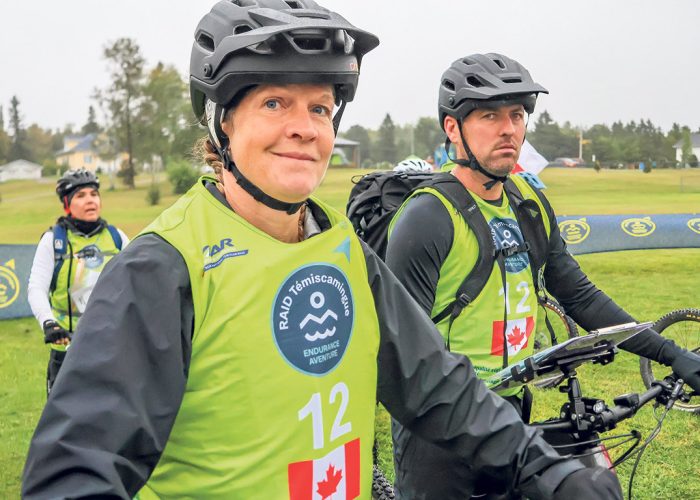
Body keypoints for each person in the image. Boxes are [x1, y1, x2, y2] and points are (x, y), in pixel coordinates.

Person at [22, 6, 621, 499]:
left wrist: (546, 468)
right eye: (275, 103)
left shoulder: (342, 248)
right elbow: (77, 469)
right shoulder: (164, 266)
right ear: (221, 123)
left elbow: (437, 385)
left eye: (319, 108)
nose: (306, 127)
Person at [385, 52, 700, 498]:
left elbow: (580, 296)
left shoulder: (526, 201)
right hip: (438, 431)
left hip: (509, 414)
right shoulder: (428, 217)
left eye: (517, 115)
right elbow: (402, 356)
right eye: (489, 115)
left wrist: (672, 353)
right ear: (452, 128)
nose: (508, 129)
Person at [27, 168, 128, 394]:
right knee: (63, 424)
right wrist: (49, 323)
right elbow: (36, 288)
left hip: (110, 346)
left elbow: (137, 282)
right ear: (66, 204)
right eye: (80, 196)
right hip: (66, 348)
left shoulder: (116, 237)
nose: (90, 200)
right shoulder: (54, 240)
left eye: (93, 194)